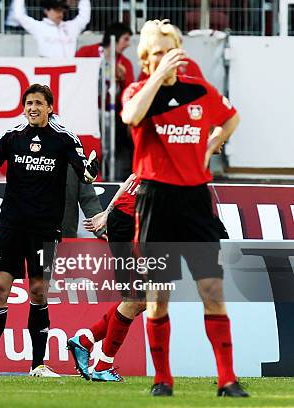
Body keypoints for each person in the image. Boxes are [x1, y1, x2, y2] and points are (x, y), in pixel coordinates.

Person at [120, 20, 247, 397]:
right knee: (159, 295)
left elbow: (232, 117)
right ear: (146, 58)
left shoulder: (198, 91)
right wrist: (157, 76)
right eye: (157, 51)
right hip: (157, 201)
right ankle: (163, 379)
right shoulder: (138, 91)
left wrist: (212, 144)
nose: (166, 57)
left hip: (195, 200)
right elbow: (130, 117)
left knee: (212, 289)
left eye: (170, 49)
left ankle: (227, 379)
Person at [0, 84, 99, 377]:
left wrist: (91, 170)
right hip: (11, 225)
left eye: (39, 103)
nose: (33, 108)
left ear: (50, 107)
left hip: (44, 229)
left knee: (38, 291)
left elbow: (84, 170)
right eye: (29, 103)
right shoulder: (12, 136)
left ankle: (38, 365)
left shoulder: (64, 138)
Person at [67, 173, 146, 382]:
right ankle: (103, 365)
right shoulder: (186, 147)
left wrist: (106, 213)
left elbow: (133, 178)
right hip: (131, 224)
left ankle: (85, 341)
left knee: (145, 299)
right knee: (136, 298)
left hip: (130, 220)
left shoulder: (178, 147)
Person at [76, 22, 134, 180]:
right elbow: (75, 75)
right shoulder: (87, 52)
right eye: (126, 39)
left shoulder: (125, 63)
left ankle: (109, 179)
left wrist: (122, 79)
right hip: (88, 110)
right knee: (89, 146)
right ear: (114, 38)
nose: (128, 44)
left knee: (110, 149)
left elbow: (130, 91)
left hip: (111, 112)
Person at [12, 0, 91, 58]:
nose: (60, 13)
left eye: (61, 10)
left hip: (70, 70)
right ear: (46, 11)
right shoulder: (39, 27)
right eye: (56, 10)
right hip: (48, 69)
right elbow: (19, 15)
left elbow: (84, 16)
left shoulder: (71, 27)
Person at [137, 25, 204, 81]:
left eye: (171, 50)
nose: (166, 55)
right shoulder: (152, 65)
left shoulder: (190, 65)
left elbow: (204, 90)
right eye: (159, 52)